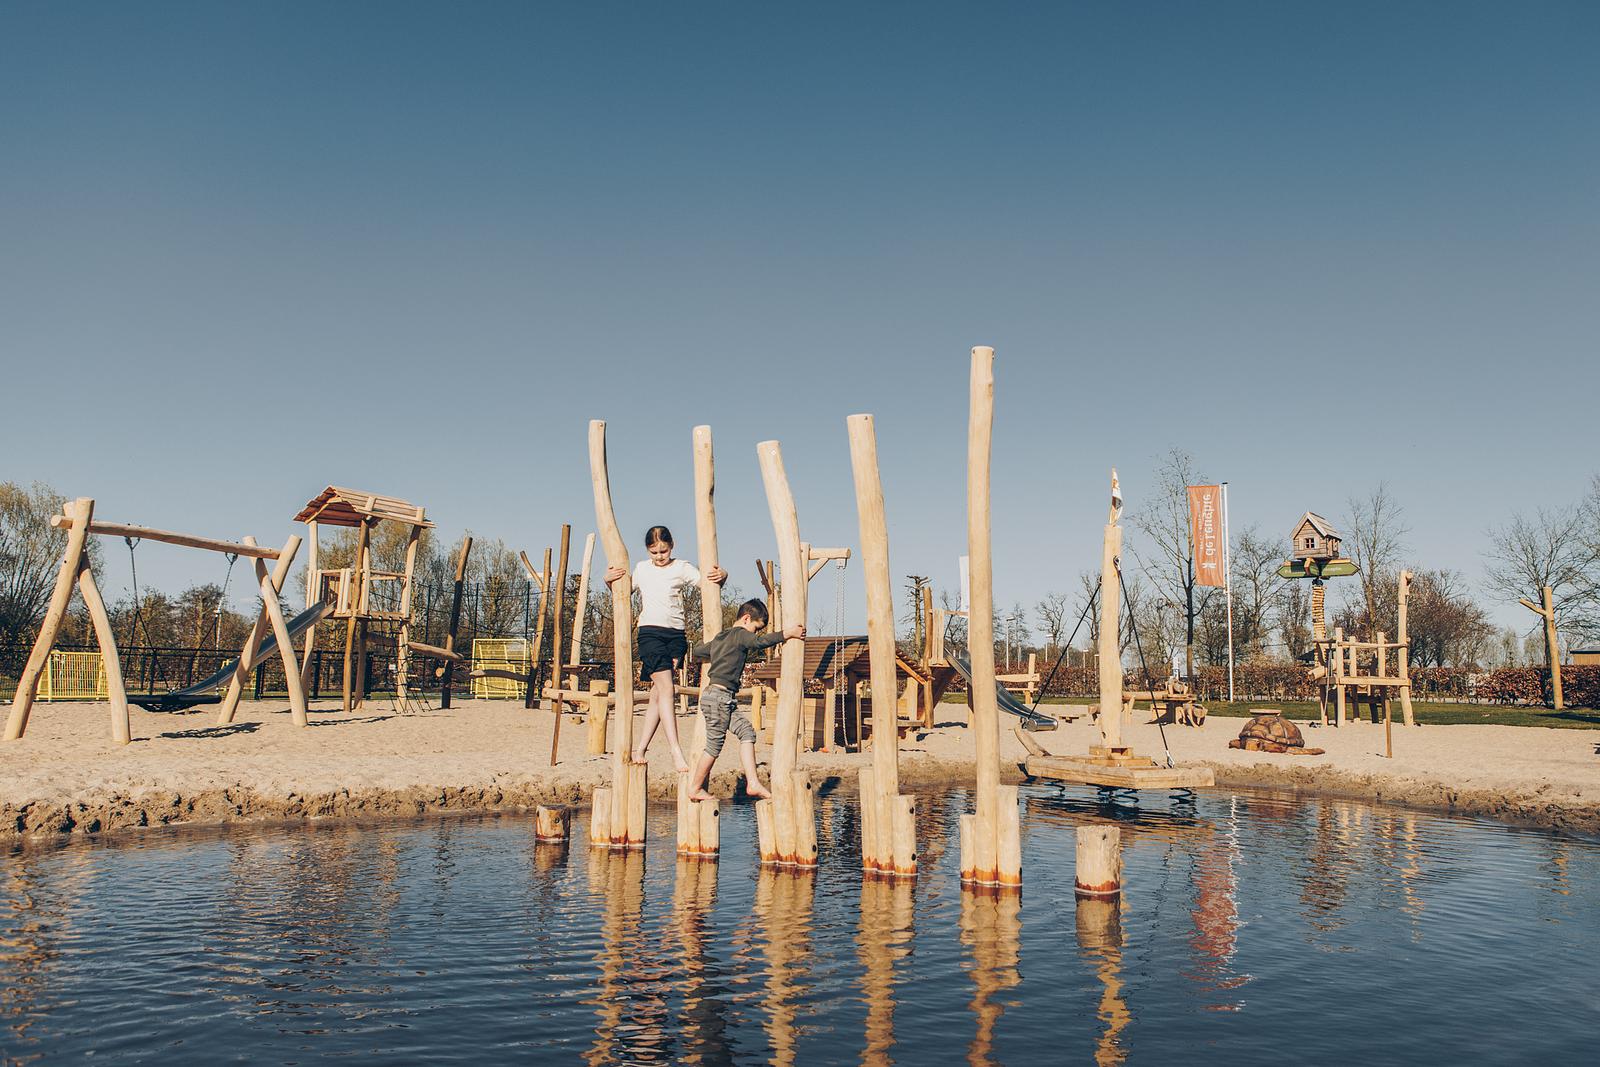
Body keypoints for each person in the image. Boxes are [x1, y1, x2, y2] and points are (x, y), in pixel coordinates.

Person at [605, 525, 725, 772]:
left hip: (676, 636)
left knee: (658, 695)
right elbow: (623, 591)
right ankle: (675, 750)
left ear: (672, 546)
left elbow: (708, 584)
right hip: (650, 633)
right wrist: (608, 581)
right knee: (667, 689)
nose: (659, 556)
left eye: (663, 551)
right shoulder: (642, 569)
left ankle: (641, 749)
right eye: (654, 552)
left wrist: (723, 575)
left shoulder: (682, 567)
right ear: (647, 550)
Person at [684, 599, 804, 802]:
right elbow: (760, 643)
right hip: (719, 698)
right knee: (714, 745)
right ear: (746, 618)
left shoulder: (721, 637)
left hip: (722, 698)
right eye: (755, 628)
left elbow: (698, 651)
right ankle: (694, 788)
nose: (754, 634)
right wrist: (788, 633)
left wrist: (695, 648)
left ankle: (753, 783)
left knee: (747, 732)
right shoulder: (740, 635)